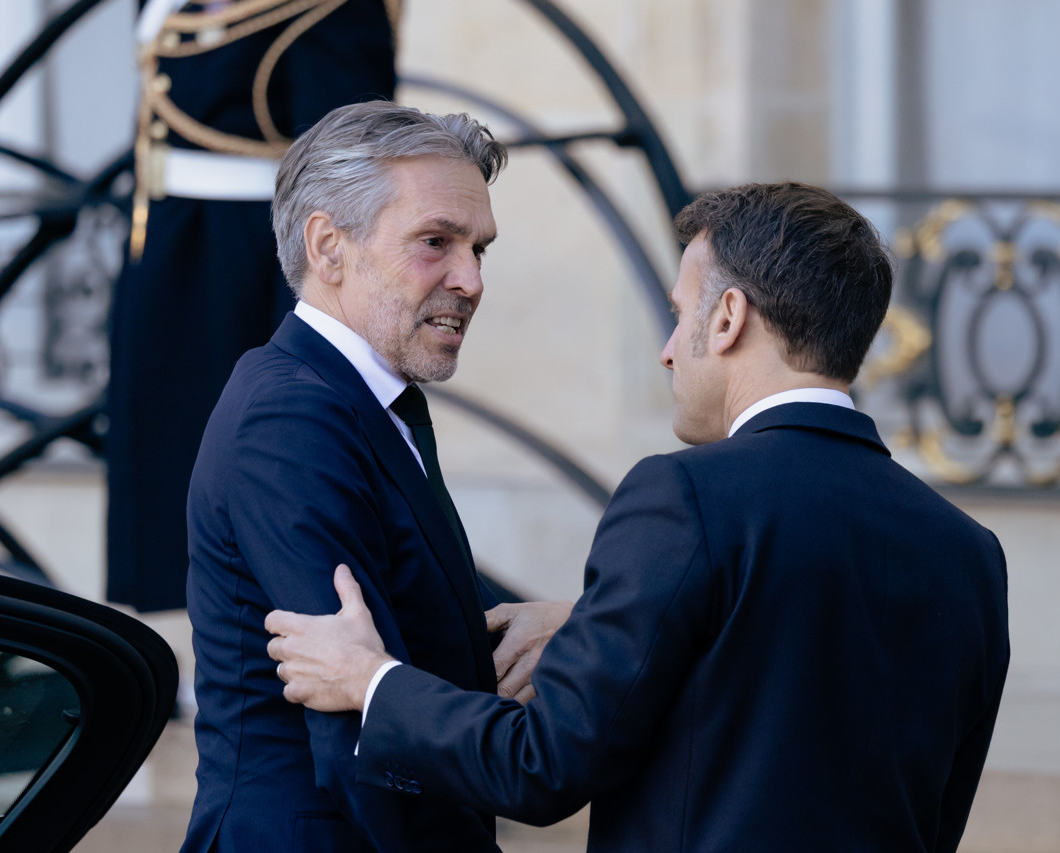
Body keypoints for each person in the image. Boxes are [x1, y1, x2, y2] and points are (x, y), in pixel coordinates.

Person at [266, 182, 1011, 852]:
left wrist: (371, 682)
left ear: (728, 319)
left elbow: (540, 766)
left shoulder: (683, 496)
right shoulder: (971, 554)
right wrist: (593, 622)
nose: (666, 351)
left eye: (680, 315)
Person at [181, 101, 569, 853]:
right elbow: (355, 726)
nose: (470, 280)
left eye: (479, 250)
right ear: (329, 247)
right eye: (435, 242)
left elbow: (406, 653)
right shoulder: (290, 418)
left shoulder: (353, 401)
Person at [106, 0, 398, 613]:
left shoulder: (330, 11)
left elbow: (348, 165)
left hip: (254, 264)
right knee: (169, 464)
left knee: (271, 458)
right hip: (172, 249)